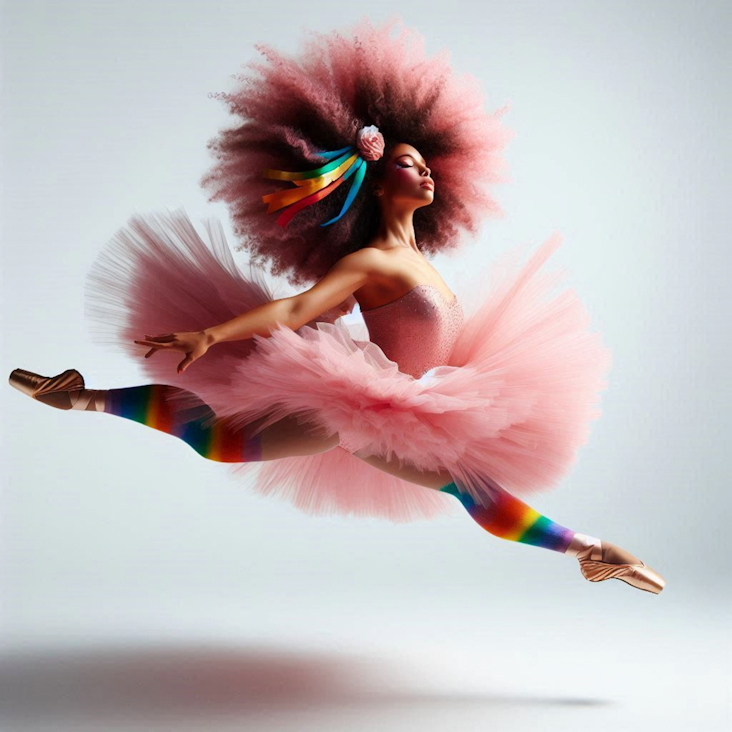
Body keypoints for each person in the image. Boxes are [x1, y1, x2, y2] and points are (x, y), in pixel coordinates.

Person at [8, 16, 665, 594]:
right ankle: (82, 397)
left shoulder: (421, 264)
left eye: (429, 165)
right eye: (411, 164)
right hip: (372, 402)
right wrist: (213, 334)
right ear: (378, 183)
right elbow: (300, 310)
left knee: (248, 446)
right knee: (228, 445)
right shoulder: (370, 262)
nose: (428, 172)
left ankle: (587, 550)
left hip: (421, 404)